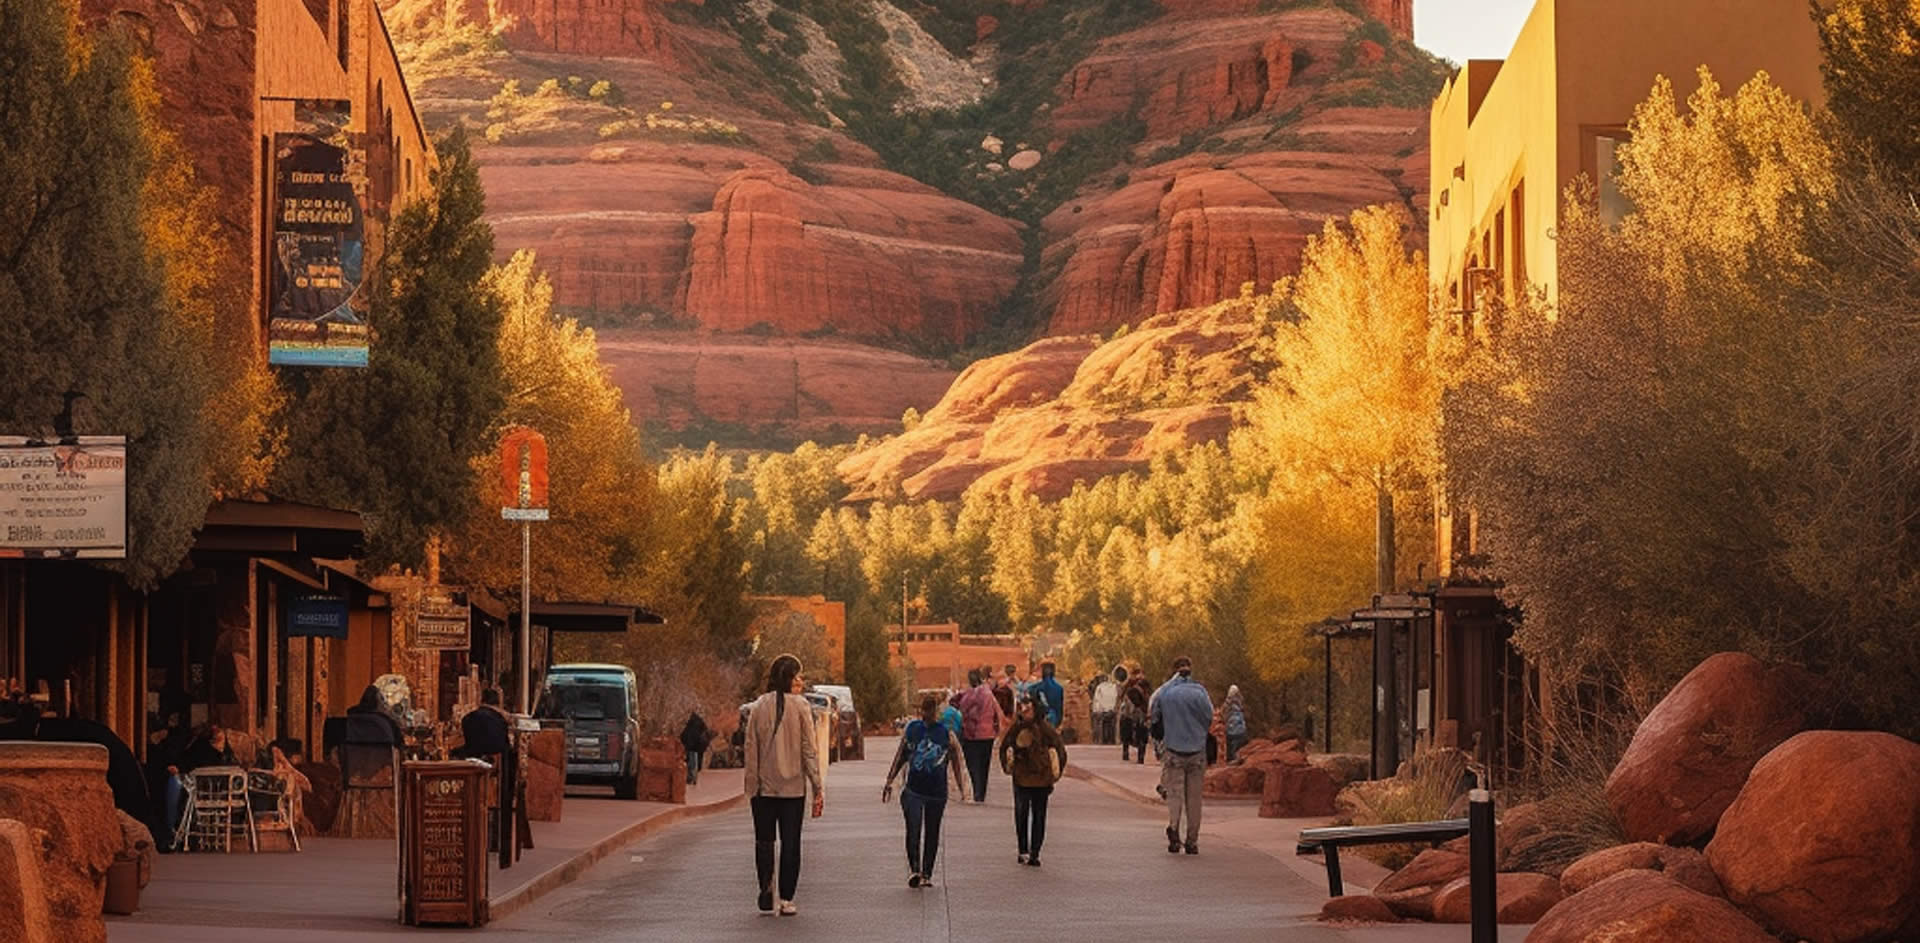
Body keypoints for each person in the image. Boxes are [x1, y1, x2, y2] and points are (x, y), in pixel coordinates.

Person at [742, 654, 824, 916]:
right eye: (797, 675)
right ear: (788, 678)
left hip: (763, 790)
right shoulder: (801, 707)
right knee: (791, 843)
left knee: (764, 842)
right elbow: (809, 750)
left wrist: (752, 786)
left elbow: (750, 749)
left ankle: (766, 888)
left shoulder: (758, 707)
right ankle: (786, 898)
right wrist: (817, 786)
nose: (800, 680)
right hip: (793, 790)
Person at [883, 693, 965, 888]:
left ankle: (927, 873)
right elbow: (901, 755)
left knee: (932, 832)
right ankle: (914, 870)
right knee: (913, 829)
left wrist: (963, 789)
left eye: (931, 710)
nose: (927, 714)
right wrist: (889, 781)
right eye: (924, 710)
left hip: (937, 793)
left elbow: (956, 762)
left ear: (937, 711)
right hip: (913, 790)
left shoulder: (946, 733)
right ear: (920, 710)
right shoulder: (912, 730)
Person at [1150, 656, 1214, 855]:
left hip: (1174, 750)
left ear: (1174, 670)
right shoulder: (1200, 692)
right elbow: (1209, 717)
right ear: (1191, 670)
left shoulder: (1166, 692)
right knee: (1194, 799)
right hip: (1197, 751)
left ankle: (1174, 830)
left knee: (1175, 795)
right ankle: (1192, 841)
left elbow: (1154, 716)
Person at [998, 693, 1067, 867]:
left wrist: (1054, 774)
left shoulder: (1042, 730)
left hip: (1035, 780)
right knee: (1028, 815)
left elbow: (1060, 752)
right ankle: (1026, 850)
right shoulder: (1023, 729)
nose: (1025, 711)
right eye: (1023, 708)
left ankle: (1032, 852)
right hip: (1027, 779)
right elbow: (1005, 748)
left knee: (1033, 815)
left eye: (1028, 708)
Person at [955, 668, 1004, 803]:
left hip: (972, 735)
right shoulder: (988, 693)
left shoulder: (970, 694)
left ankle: (976, 791)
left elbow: (961, 707)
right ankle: (981, 793)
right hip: (988, 735)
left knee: (973, 764)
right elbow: (997, 712)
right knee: (984, 765)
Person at [453, 687, 511, 760]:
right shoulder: (500, 719)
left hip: (472, 757)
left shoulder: (468, 717)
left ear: (481, 700)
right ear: (498, 702)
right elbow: (504, 744)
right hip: (495, 759)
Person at [1121, 670, 1151, 764]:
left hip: (1132, 716)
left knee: (1131, 736)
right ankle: (1138, 757)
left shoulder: (1131, 689)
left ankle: (1131, 754)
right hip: (1137, 715)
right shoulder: (1134, 690)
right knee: (1140, 736)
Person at [680, 710, 713, 786]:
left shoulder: (691, 724)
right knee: (695, 762)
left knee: (691, 761)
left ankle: (691, 778)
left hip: (691, 746)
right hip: (698, 747)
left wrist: (685, 744)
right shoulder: (700, 723)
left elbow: (687, 736)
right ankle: (694, 778)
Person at [1031, 661, 1064, 728]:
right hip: (1056, 719)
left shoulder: (1040, 687)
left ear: (1044, 672)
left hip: (1045, 719)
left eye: (1040, 670)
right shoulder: (1059, 687)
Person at [1223, 685, 1249, 762]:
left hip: (1230, 728)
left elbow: (1223, 712)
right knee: (1237, 745)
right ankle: (1236, 758)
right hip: (1240, 728)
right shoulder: (1241, 701)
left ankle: (1231, 759)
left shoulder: (1227, 702)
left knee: (1231, 745)